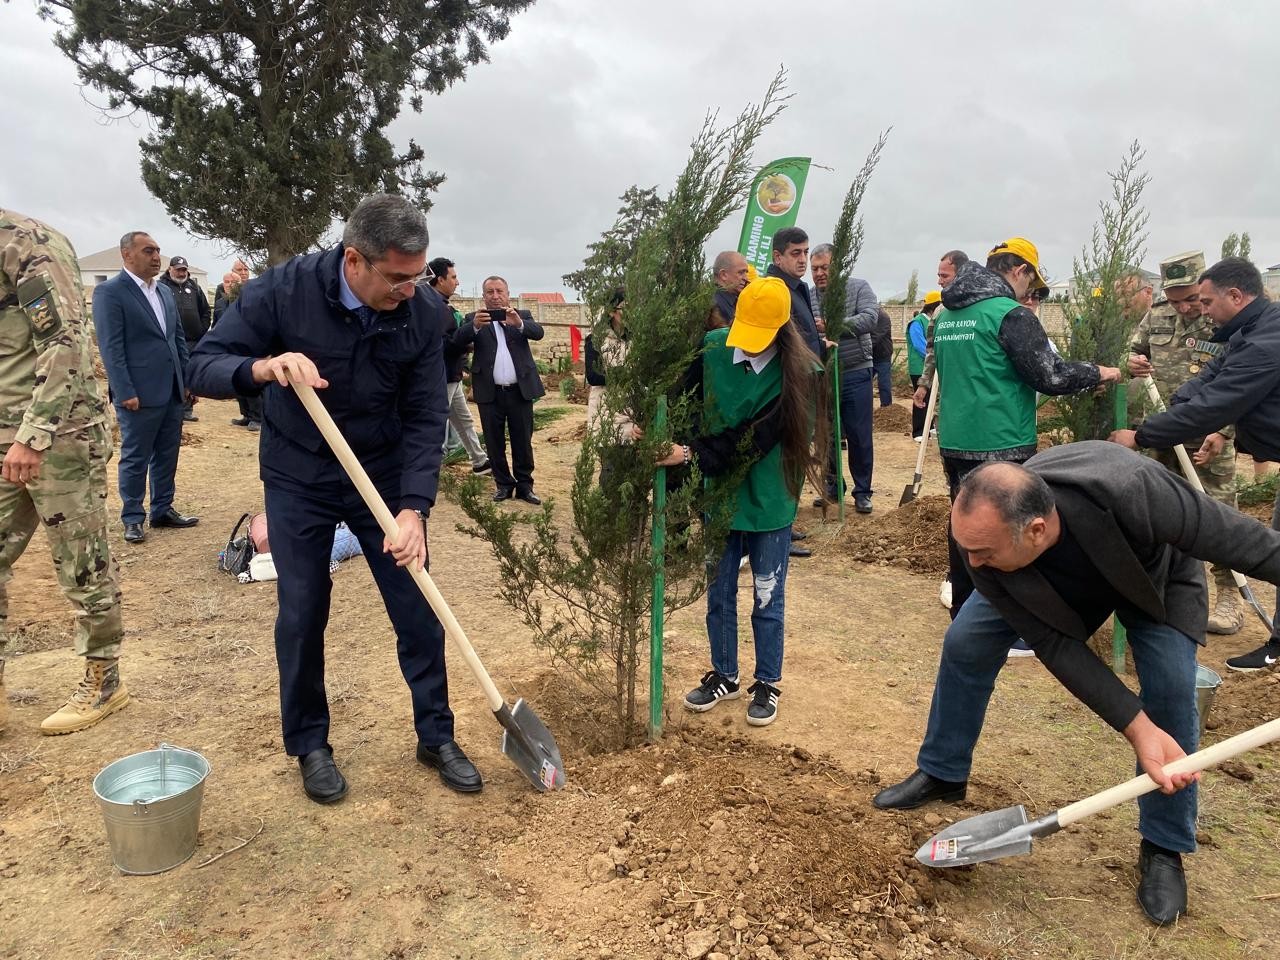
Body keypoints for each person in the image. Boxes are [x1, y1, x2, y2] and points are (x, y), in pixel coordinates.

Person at [872, 444, 1280, 926]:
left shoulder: (1133, 491)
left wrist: (1151, 727)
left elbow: (1245, 543)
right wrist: (1135, 727)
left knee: (1172, 685)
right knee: (965, 641)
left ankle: (1164, 847)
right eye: (967, 549)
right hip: (1045, 584)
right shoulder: (983, 548)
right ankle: (943, 771)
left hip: (1153, 580)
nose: (971, 563)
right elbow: (1058, 647)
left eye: (982, 552)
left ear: (1036, 530)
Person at [187, 193, 480, 804]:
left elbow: (428, 415)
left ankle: (436, 734)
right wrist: (263, 369)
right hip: (301, 476)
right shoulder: (282, 291)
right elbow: (203, 365)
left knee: (417, 603)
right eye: (398, 277)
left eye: (419, 275)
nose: (411, 289)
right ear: (354, 259)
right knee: (301, 612)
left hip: (383, 474)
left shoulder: (423, 313)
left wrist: (413, 509)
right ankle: (310, 744)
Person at [662, 277, 826, 726]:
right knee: (719, 592)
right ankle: (724, 674)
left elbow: (753, 441)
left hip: (770, 496)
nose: (749, 348)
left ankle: (767, 682)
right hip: (720, 494)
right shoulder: (714, 349)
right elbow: (682, 399)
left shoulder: (800, 374)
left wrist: (692, 453)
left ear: (780, 329)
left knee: (767, 597)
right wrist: (657, 431)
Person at [932, 237, 1120, 621]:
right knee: (1007, 536)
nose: (1028, 295)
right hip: (1003, 443)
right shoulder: (1009, 314)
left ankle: (963, 613)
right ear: (1020, 271)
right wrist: (1097, 372)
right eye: (1031, 285)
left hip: (954, 439)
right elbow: (1048, 374)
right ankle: (1005, 622)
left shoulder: (947, 314)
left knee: (967, 528)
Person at [1111, 256, 1280, 672]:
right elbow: (1209, 380)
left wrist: (1141, 436)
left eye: (1205, 301)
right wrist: (1174, 409)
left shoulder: (1265, 342)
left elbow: (1219, 401)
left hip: (1195, 432)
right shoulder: (1249, 330)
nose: (1200, 310)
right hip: (1174, 427)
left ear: (1235, 296)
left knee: (1236, 527)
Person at [0, 209, 129, 736]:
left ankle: (104, 679)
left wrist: (33, 435)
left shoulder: (24, 242)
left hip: (59, 437)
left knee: (81, 564)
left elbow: (65, 343)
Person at [1126, 251, 1243, 635]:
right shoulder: (1157, 315)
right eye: (1176, 300)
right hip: (1163, 428)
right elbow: (1134, 349)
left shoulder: (1226, 319)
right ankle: (1163, 586)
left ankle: (1230, 595)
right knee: (1161, 507)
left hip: (1210, 430)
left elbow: (1243, 382)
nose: (1186, 307)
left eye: (1192, 299)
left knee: (1219, 511)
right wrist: (1134, 362)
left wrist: (1223, 432)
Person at [92, 231, 199, 544]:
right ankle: (133, 517)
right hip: (138, 392)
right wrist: (124, 391)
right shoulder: (111, 293)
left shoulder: (164, 292)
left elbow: (177, 339)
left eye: (158, 251)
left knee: (167, 453)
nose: (156, 257)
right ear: (127, 255)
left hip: (171, 389)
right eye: (148, 251)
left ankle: (162, 509)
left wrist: (187, 381)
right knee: (136, 456)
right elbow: (111, 348)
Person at [454, 276, 545, 505]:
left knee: (522, 441)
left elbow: (538, 332)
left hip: (519, 391)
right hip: (489, 393)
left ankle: (525, 486)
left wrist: (518, 323)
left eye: (499, 291)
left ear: (507, 294)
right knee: (494, 443)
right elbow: (457, 341)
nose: (495, 296)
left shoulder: (521, 315)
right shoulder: (473, 319)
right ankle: (503, 485)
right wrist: (475, 326)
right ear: (483, 296)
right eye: (490, 292)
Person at [808, 241, 880, 514]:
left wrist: (835, 325)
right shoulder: (808, 295)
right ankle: (832, 486)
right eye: (814, 269)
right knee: (826, 434)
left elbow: (870, 318)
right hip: (822, 375)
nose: (819, 273)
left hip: (855, 371)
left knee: (859, 435)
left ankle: (862, 491)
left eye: (824, 267)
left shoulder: (859, 287)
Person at [428, 257, 489, 476]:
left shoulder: (444, 306)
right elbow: (445, 343)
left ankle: (479, 460)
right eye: (453, 277)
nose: (457, 282)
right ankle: (427, 467)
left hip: (452, 374)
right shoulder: (434, 308)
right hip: (441, 376)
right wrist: (470, 332)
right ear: (439, 279)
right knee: (434, 423)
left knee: (463, 419)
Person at [158, 255, 210, 422]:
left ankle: (187, 409)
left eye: (184, 270)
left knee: (190, 374)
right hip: (172, 341)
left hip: (193, 341)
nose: (181, 273)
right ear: (170, 269)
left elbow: (205, 310)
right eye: (178, 269)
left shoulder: (194, 287)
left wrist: (202, 329)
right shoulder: (161, 286)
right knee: (173, 374)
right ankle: (173, 408)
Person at [215, 260, 262, 431]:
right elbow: (215, 323)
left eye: (233, 282)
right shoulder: (220, 303)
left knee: (250, 379)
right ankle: (246, 414)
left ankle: (257, 417)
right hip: (229, 348)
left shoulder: (250, 295)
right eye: (227, 282)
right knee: (237, 380)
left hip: (248, 346)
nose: (229, 285)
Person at [906, 291, 940, 440]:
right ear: (934, 306)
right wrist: (935, 356)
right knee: (921, 398)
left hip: (932, 368)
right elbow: (920, 345)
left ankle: (929, 428)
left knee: (932, 399)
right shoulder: (917, 322)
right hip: (919, 368)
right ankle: (918, 431)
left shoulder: (935, 320)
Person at [710, 250, 750, 328]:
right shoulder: (714, 304)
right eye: (740, 273)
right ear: (723, 275)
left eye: (746, 272)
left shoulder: (734, 301)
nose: (746, 278)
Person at [871, 306, 894, 408]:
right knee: (864, 383)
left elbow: (876, 337)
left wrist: (862, 347)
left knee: (884, 383)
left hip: (882, 356)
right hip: (869, 355)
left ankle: (886, 408)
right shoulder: (868, 316)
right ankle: (865, 407)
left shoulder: (883, 316)